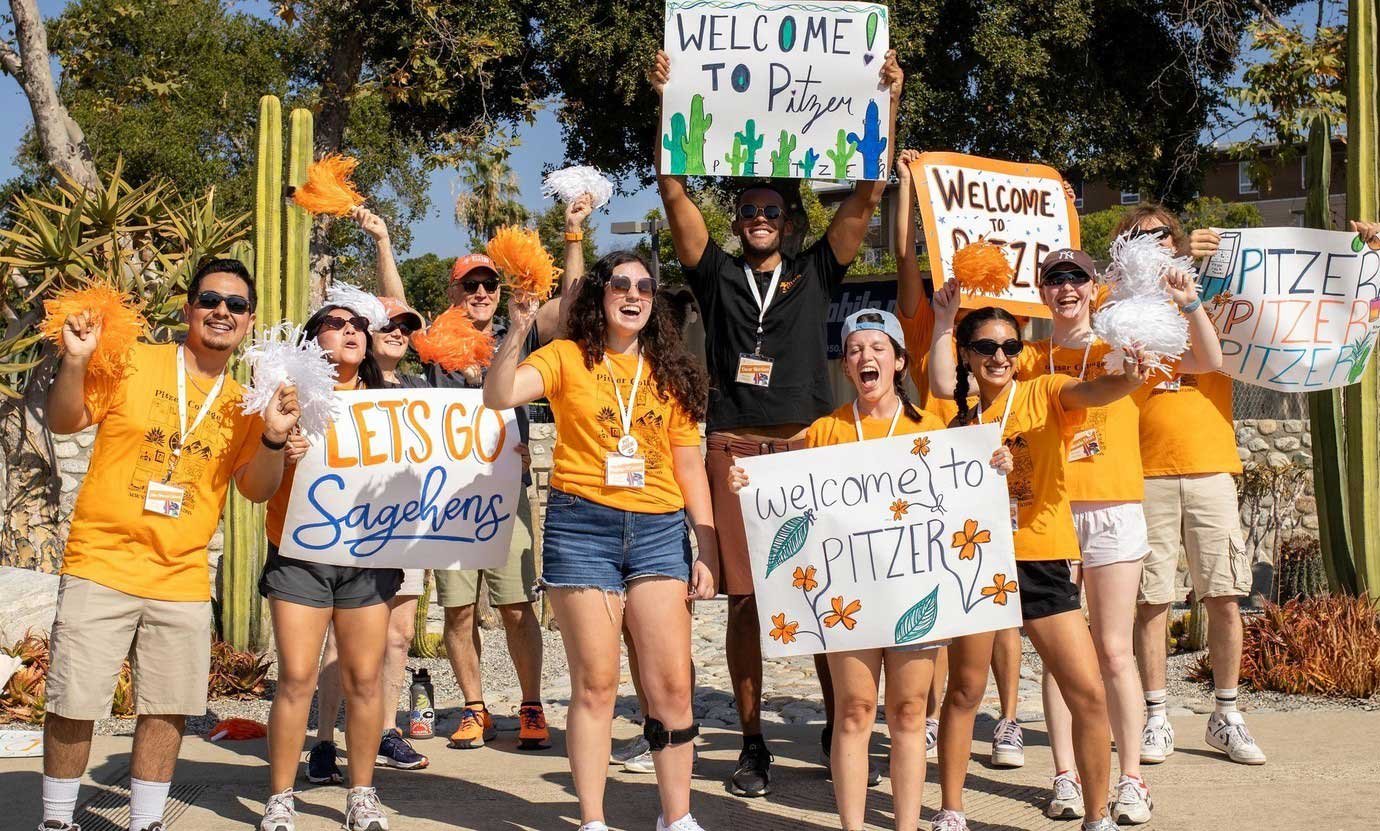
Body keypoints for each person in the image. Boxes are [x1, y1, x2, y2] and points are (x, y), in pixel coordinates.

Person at [652, 46, 905, 798]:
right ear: (737, 219)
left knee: (824, 595)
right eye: (749, 210)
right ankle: (754, 739)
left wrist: (888, 99)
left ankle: (838, 728)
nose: (759, 219)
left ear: (791, 221)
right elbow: (671, 193)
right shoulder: (717, 271)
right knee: (748, 602)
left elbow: (865, 192)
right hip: (734, 450)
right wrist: (668, 102)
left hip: (806, 448)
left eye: (772, 211)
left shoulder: (818, 267)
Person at [727, 309, 1013, 831]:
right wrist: (750, 483)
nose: (866, 357)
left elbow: (964, 496)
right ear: (846, 364)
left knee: (907, 713)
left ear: (900, 360)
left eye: (878, 348)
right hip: (850, 599)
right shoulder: (825, 430)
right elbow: (789, 500)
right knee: (855, 710)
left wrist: (993, 468)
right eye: (856, 349)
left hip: (914, 593)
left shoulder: (934, 429)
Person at [39, 259, 299, 831]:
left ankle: (146, 821)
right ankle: (57, 820)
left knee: (166, 706)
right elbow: (64, 420)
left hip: (181, 575)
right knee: (73, 701)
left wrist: (275, 438)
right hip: (101, 563)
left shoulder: (245, 403)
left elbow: (256, 490)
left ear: (249, 322)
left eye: (235, 305)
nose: (221, 312)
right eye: (210, 300)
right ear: (188, 309)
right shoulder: (135, 361)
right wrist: (76, 361)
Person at [484, 250, 719, 831]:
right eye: (620, 284)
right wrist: (515, 331)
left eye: (644, 285)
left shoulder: (675, 371)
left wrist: (707, 548)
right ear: (601, 295)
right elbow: (498, 395)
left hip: (661, 529)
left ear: (654, 299)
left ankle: (677, 816)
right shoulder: (565, 356)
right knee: (596, 684)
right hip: (581, 525)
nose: (633, 293)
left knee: (671, 686)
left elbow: (690, 467)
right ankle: (592, 821)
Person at [363, 197, 593, 751]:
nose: (482, 294)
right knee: (458, 611)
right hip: (448, 502)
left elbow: (574, 303)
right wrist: (382, 241)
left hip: (504, 494)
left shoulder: (522, 332)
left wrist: (572, 236)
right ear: (454, 293)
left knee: (517, 606)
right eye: (470, 286)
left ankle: (531, 705)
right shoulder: (435, 345)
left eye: (489, 285)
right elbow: (394, 305)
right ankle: (474, 708)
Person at [928, 284, 1153, 831]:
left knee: (1088, 694)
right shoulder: (956, 420)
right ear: (968, 354)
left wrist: (1130, 378)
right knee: (963, 692)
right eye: (985, 347)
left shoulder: (1044, 391)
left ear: (1021, 351)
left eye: (1009, 345)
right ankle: (952, 810)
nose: (999, 356)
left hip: (1042, 559)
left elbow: (1097, 390)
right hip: (979, 567)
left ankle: (1096, 816)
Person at [1017, 247, 1221, 824]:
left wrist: (1190, 304)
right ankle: (1066, 776)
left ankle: (1131, 779)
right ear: (1042, 291)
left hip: (1113, 508)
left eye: (1075, 279)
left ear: (1093, 288)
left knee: (1111, 650)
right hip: (1051, 511)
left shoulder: (1126, 341)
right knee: (1062, 658)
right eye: (1054, 280)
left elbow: (1203, 361)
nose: (1066, 290)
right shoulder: (1030, 356)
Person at [1120, 205, 1270, 769]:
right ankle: (1155, 715)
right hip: (1141, 472)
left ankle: (1226, 714)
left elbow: (1220, 349)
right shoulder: (1117, 306)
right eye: (1137, 238)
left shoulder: (1209, 293)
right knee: (1150, 600)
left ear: (1177, 242)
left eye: (1162, 236)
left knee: (1225, 596)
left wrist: (1366, 257)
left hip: (1209, 467)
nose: (1151, 245)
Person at [892, 149, 1025, 771]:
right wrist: (904, 189)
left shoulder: (1011, 328)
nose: (995, 352)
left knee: (1002, 616)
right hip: (938, 476)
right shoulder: (930, 326)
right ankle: (934, 719)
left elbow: (1050, 277)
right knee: (945, 608)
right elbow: (902, 256)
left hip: (1001, 478)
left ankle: (1010, 721)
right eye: (985, 347)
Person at [258, 302, 401, 831]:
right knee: (296, 676)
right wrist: (281, 451)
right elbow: (256, 478)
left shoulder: (393, 402)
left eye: (359, 326)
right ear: (312, 337)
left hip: (367, 557)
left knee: (365, 677)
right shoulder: (285, 397)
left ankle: (361, 793)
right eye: (336, 323)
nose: (350, 332)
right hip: (299, 553)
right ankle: (281, 797)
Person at [307, 294, 430, 784]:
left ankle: (385, 730)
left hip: (398, 525)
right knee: (340, 638)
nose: (397, 332)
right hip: (339, 527)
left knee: (397, 637)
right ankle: (323, 740)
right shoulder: (331, 386)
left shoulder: (421, 389)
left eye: (405, 326)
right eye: (387, 325)